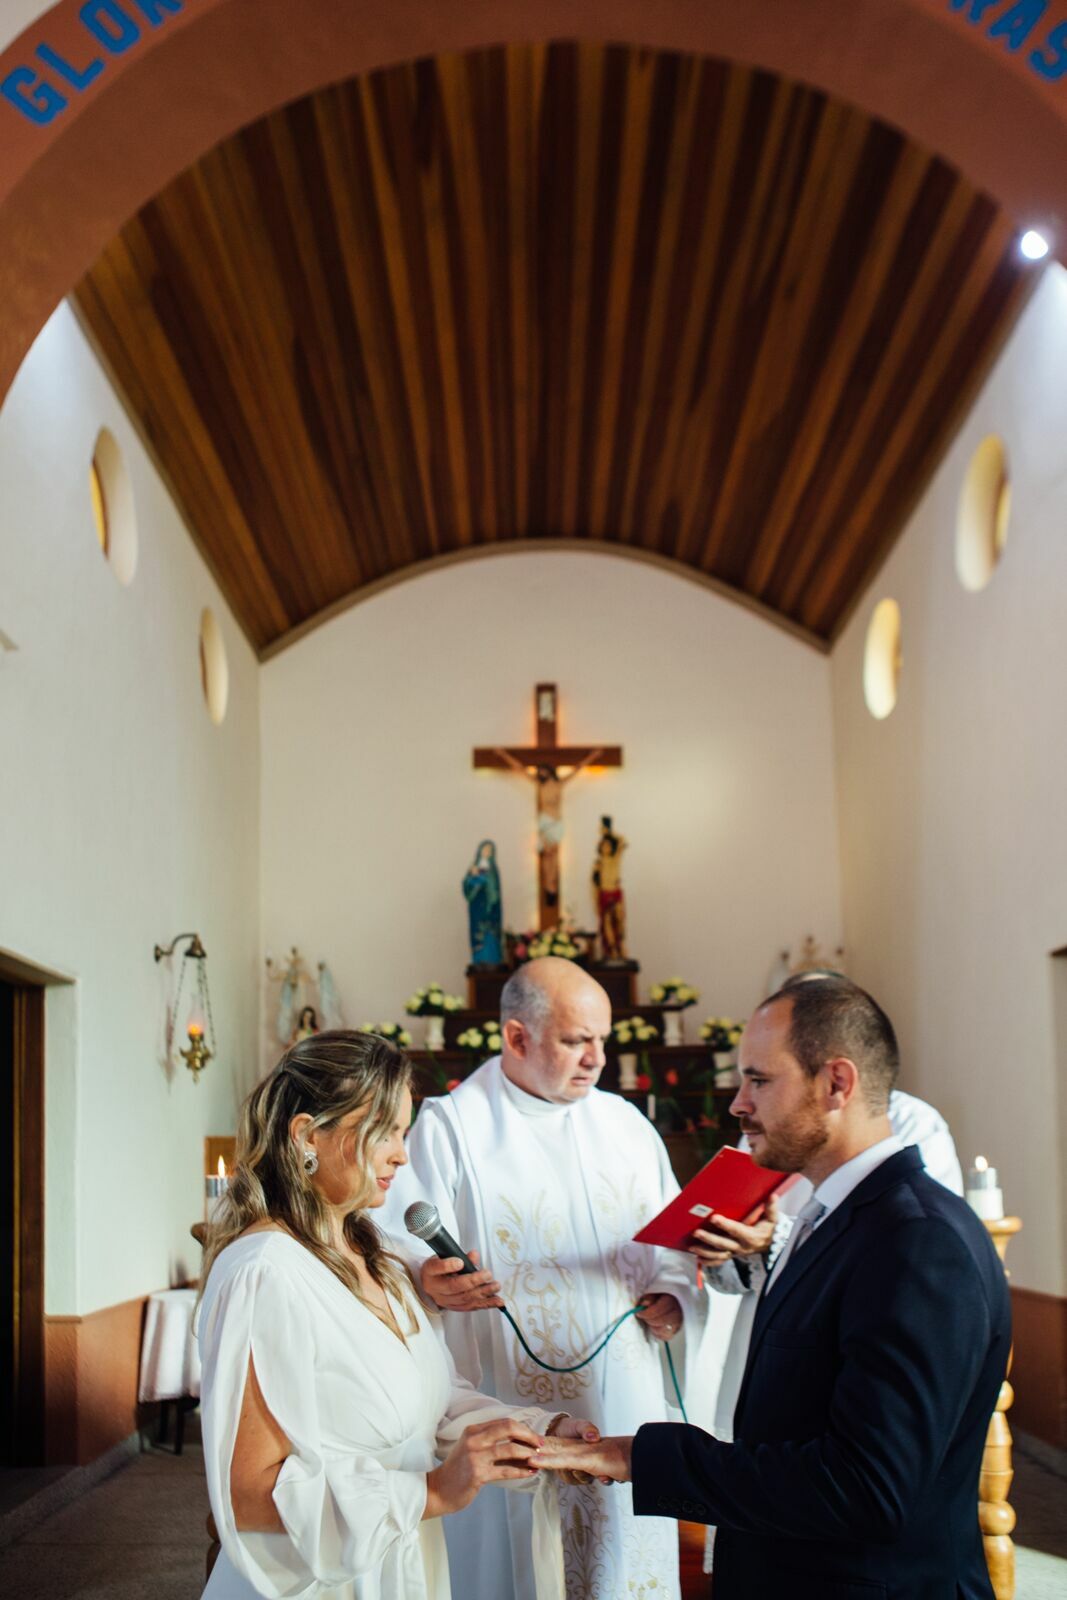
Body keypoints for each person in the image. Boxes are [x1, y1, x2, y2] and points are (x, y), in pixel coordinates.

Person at [535, 978, 1012, 1600]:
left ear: (836, 1083)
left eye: (759, 1080)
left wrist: (640, 1457)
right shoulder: (838, 1220)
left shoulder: (918, 1242)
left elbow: (868, 1489)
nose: (738, 1104)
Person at [196, 1029, 598, 1600]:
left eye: (403, 1132)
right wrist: (431, 1492)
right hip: (323, 1579)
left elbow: (429, 1405)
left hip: (402, 1567)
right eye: (385, 1132)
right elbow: (249, 1495)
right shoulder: (263, 1272)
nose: (401, 1154)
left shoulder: (379, 1257)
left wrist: (542, 1434)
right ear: (308, 1135)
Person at [380, 957, 705, 1600]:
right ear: (516, 1038)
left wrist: (673, 1292)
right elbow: (390, 1241)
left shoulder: (627, 1126)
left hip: (622, 1401)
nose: (596, 1059)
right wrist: (429, 1279)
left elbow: (671, 1238)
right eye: (576, 1041)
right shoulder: (451, 1129)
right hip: (507, 1405)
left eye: (603, 1040)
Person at [463, 839, 504, 966]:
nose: (487, 852)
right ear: (480, 851)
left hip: (491, 911)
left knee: (491, 937)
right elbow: (467, 889)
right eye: (485, 849)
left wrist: (492, 894)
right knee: (479, 935)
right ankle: (479, 961)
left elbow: (496, 890)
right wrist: (474, 879)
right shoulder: (473, 868)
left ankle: (493, 962)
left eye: (489, 850)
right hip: (478, 909)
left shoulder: (493, 870)